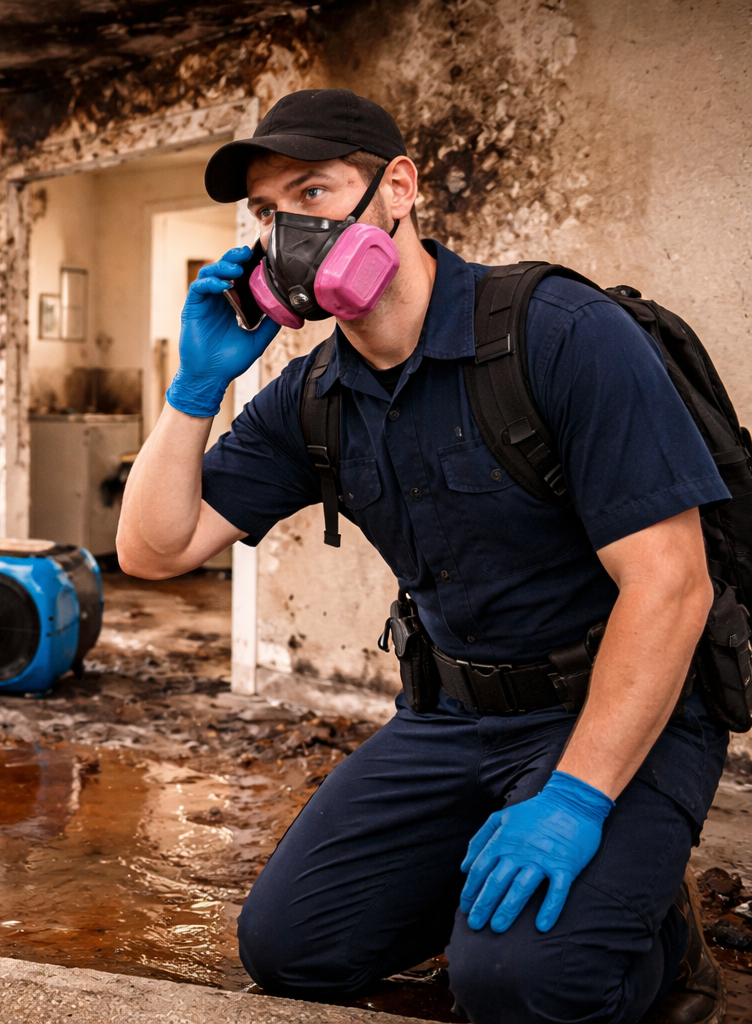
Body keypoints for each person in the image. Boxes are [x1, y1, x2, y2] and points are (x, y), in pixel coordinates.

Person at [117, 89, 729, 1024]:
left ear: (398, 188)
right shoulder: (313, 394)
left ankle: (657, 940)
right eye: (268, 214)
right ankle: (532, 902)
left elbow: (673, 584)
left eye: (314, 193)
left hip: (617, 708)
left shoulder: (558, 333)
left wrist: (574, 800)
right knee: (290, 949)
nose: (289, 233)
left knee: (518, 987)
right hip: (450, 722)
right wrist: (197, 388)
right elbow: (154, 550)